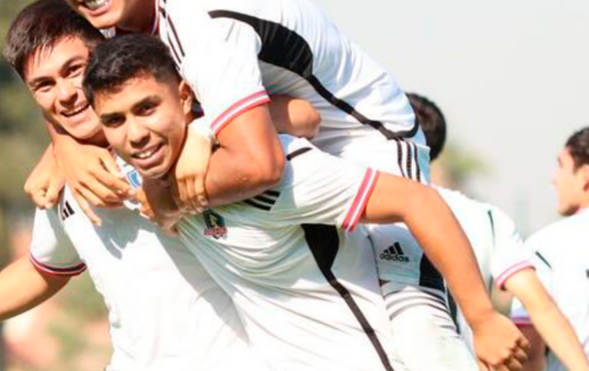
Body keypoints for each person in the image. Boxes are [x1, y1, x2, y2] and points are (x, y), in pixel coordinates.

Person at [30, 0, 528, 369]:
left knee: (416, 334)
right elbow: (67, 76)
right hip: (283, 140)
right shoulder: (114, 5)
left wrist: (167, 196)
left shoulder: (201, 16)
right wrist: (63, 145)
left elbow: (259, 161)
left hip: (365, 140)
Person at [82, 33, 532, 371]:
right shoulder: (138, 172)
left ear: (184, 98)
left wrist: (483, 318)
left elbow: (419, 201)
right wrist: (60, 148)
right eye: (115, 121)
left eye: (147, 108)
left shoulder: (275, 175)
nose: (135, 133)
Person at [0, 0, 270, 371]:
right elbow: (42, 270)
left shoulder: (172, 133)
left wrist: (200, 135)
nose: (66, 94)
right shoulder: (62, 179)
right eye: (44, 85)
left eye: (74, 69)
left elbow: (288, 121)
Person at [407, 93, 589, 371]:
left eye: (561, 166)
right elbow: (542, 308)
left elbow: (533, 336)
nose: (553, 177)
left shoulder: (357, 214)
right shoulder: (487, 218)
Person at [510, 127, 589, 371]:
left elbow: (528, 352)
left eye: (561, 166)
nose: (554, 178)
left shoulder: (547, 245)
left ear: (585, 175)